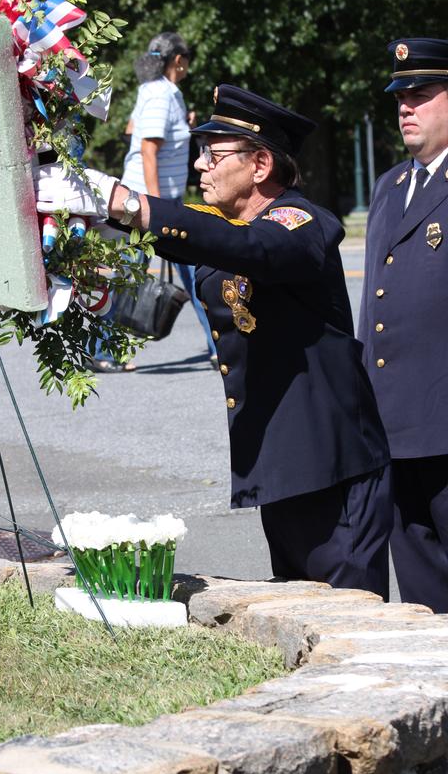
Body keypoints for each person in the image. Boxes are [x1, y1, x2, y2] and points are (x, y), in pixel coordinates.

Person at [35, 84, 392, 597]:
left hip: (334, 471)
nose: (201, 165)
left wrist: (128, 202)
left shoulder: (302, 222)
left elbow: (252, 249)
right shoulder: (229, 226)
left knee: (351, 620)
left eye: (215, 153)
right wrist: (96, 214)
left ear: (261, 164)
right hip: (284, 465)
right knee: (298, 609)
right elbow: (186, 233)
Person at [358, 37, 448, 613]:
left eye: (420, 95)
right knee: (420, 590)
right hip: (395, 425)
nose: (405, 108)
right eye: (399, 97)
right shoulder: (390, 187)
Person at [91, 31, 217, 371]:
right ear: (179, 60)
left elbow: (132, 129)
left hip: (147, 200)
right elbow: (147, 148)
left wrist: (183, 126)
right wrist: (157, 209)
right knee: (144, 274)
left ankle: (219, 346)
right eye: (187, 60)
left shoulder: (153, 91)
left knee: (187, 274)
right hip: (147, 204)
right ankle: (102, 352)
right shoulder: (163, 94)